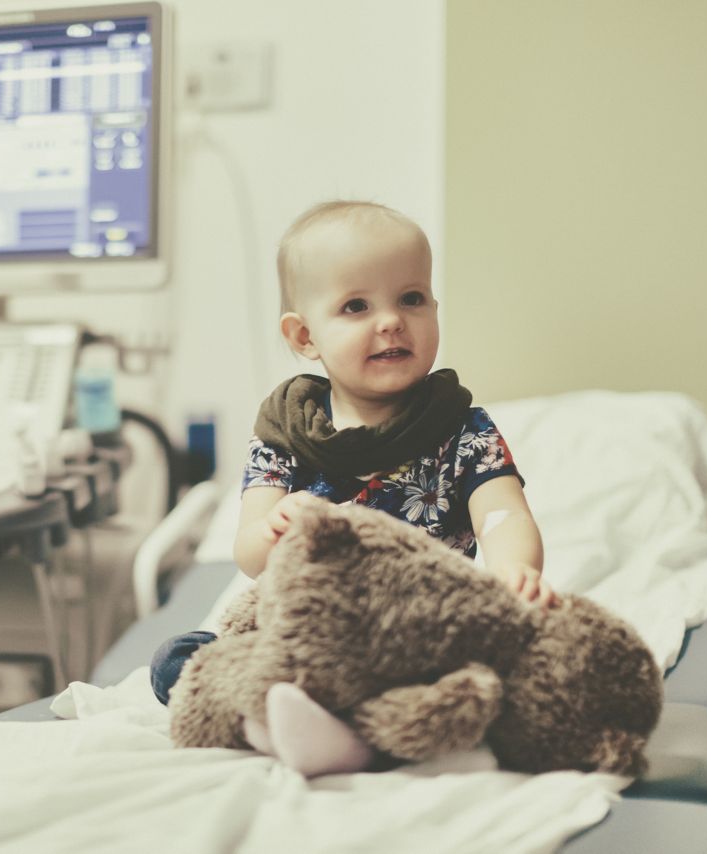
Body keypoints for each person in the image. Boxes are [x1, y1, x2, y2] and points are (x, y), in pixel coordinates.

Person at [151, 200, 555, 776]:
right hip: (310, 639)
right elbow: (249, 554)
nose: (390, 320)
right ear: (304, 335)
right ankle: (281, 722)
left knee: (508, 674)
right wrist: (274, 528)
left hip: (418, 636)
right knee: (180, 661)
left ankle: (341, 730)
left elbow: (503, 512)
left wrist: (515, 571)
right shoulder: (285, 435)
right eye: (356, 306)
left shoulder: (461, 429)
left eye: (411, 299)